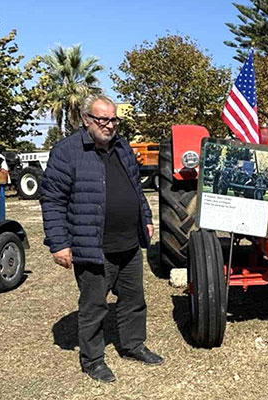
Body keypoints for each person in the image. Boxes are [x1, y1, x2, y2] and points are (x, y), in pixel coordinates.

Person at [40, 94, 163, 383]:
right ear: (86, 120)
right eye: (103, 119)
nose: (110, 125)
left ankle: (133, 345)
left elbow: (135, 188)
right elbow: (52, 200)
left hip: (128, 242)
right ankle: (93, 360)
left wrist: (145, 218)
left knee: (133, 299)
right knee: (94, 306)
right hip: (93, 246)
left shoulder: (122, 146)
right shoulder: (67, 151)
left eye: (113, 119)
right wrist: (59, 243)